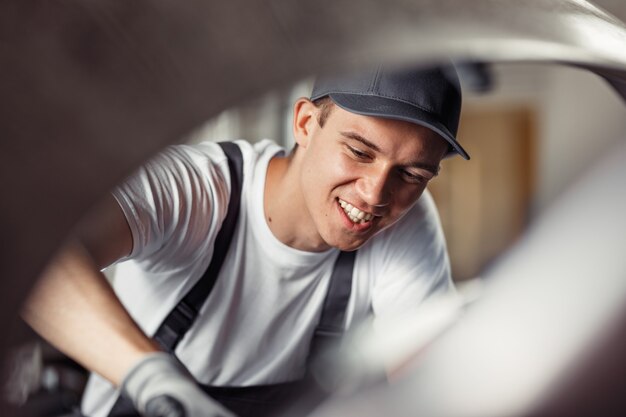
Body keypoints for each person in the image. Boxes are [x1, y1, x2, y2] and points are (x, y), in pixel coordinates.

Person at [22, 63, 470, 417]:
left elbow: (431, 378)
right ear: (305, 124)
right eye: (358, 151)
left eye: (411, 175)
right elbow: (38, 257)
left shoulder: (406, 225)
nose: (375, 194)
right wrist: (151, 377)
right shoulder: (198, 188)